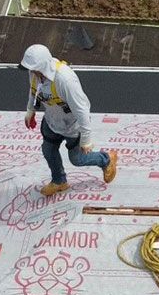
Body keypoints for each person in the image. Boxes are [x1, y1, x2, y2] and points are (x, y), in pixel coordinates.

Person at [21, 44, 118, 196]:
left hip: (72, 126)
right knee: (48, 150)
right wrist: (30, 110)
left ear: (43, 66)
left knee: (77, 159)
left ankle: (106, 159)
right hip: (52, 121)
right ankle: (59, 181)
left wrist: (86, 140)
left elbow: (82, 109)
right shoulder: (35, 73)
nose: (31, 71)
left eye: (34, 68)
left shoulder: (65, 80)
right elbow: (34, 91)